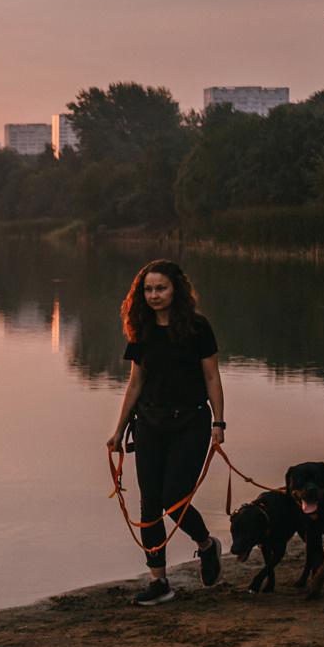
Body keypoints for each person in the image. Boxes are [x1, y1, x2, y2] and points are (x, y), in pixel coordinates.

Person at [105, 259, 226, 606]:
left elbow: (212, 377)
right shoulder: (140, 329)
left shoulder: (197, 328)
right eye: (148, 289)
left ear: (177, 290)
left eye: (161, 288)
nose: (154, 295)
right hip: (150, 424)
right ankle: (159, 582)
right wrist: (118, 430)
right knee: (149, 503)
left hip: (191, 422)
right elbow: (135, 383)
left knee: (174, 497)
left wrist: (218, 423)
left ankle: (206, 544)